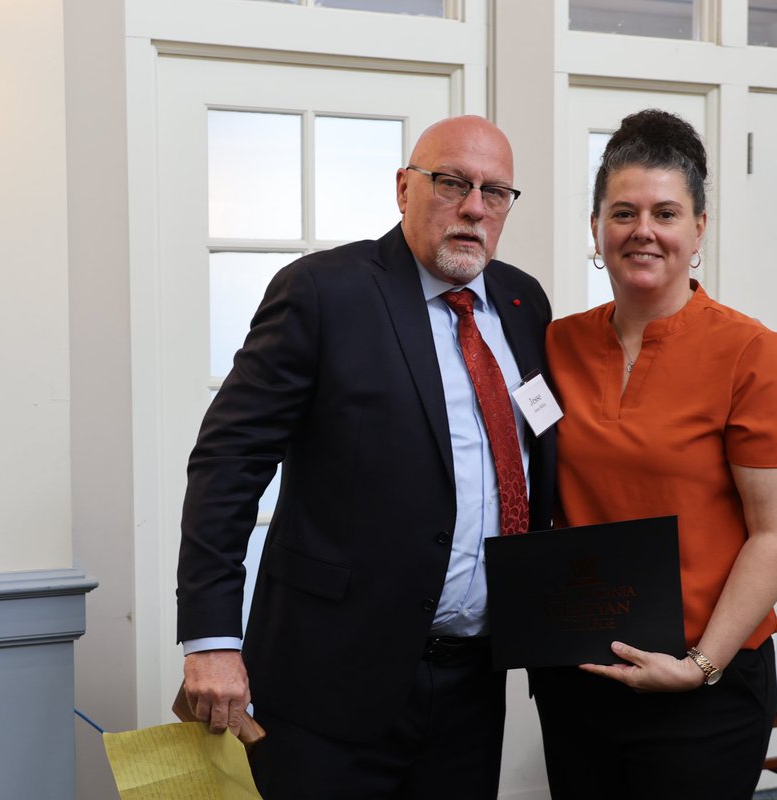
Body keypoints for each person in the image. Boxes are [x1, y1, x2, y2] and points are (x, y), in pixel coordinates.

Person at [176, 115, 555, 799]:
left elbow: (537, 461)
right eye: (452, 183)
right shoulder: (326, 292)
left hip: (471, 681)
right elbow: (227, 463)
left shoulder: (524, 303)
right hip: (330, 676)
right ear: (404, 188)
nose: (473, 208)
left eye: (495, 193)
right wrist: (211, 639)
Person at [530, 109, 777, 799]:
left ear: (698, 229)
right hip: (582, 675)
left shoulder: (750, 353)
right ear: (596, 228)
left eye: (665, 212)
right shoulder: (552, 345)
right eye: (622, 212)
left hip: (703, 686)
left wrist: (701, 665)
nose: (643, 231)